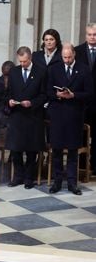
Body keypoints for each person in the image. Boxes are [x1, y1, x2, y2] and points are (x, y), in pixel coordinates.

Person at [47, 43, 93, 195]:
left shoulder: (84, 69)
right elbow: (47, 91)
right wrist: (57, 95)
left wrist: (74, 95)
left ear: (74, 55)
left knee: (73, 151)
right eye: (64, 57)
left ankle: (73, 183)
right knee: (57, 150)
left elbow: (89, 93)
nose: (66, 60)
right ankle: (57, 182)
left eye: (69, 57)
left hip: (74, 115)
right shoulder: (54, 69)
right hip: (58, 115)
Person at [5, 46, 47, 189]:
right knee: (15, 150)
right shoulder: (14, 72)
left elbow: (44, 95)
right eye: (20, 61)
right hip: (17, 116)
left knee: (31, 150)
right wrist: (10, 101)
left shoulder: (40, 72)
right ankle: (18, 176)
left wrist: (32, 103)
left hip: (33, 116)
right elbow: (9, 92)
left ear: (30, 58)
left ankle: (29, 177)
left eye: (25, 61)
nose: (22, 64)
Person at [75, 23, 96, 175]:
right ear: (85, 35)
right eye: (90, 34)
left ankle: (94, 166)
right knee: (81, 133)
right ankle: (81, 166)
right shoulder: (78, 51)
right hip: (81, 101)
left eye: (95, 34)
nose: (92, 37)